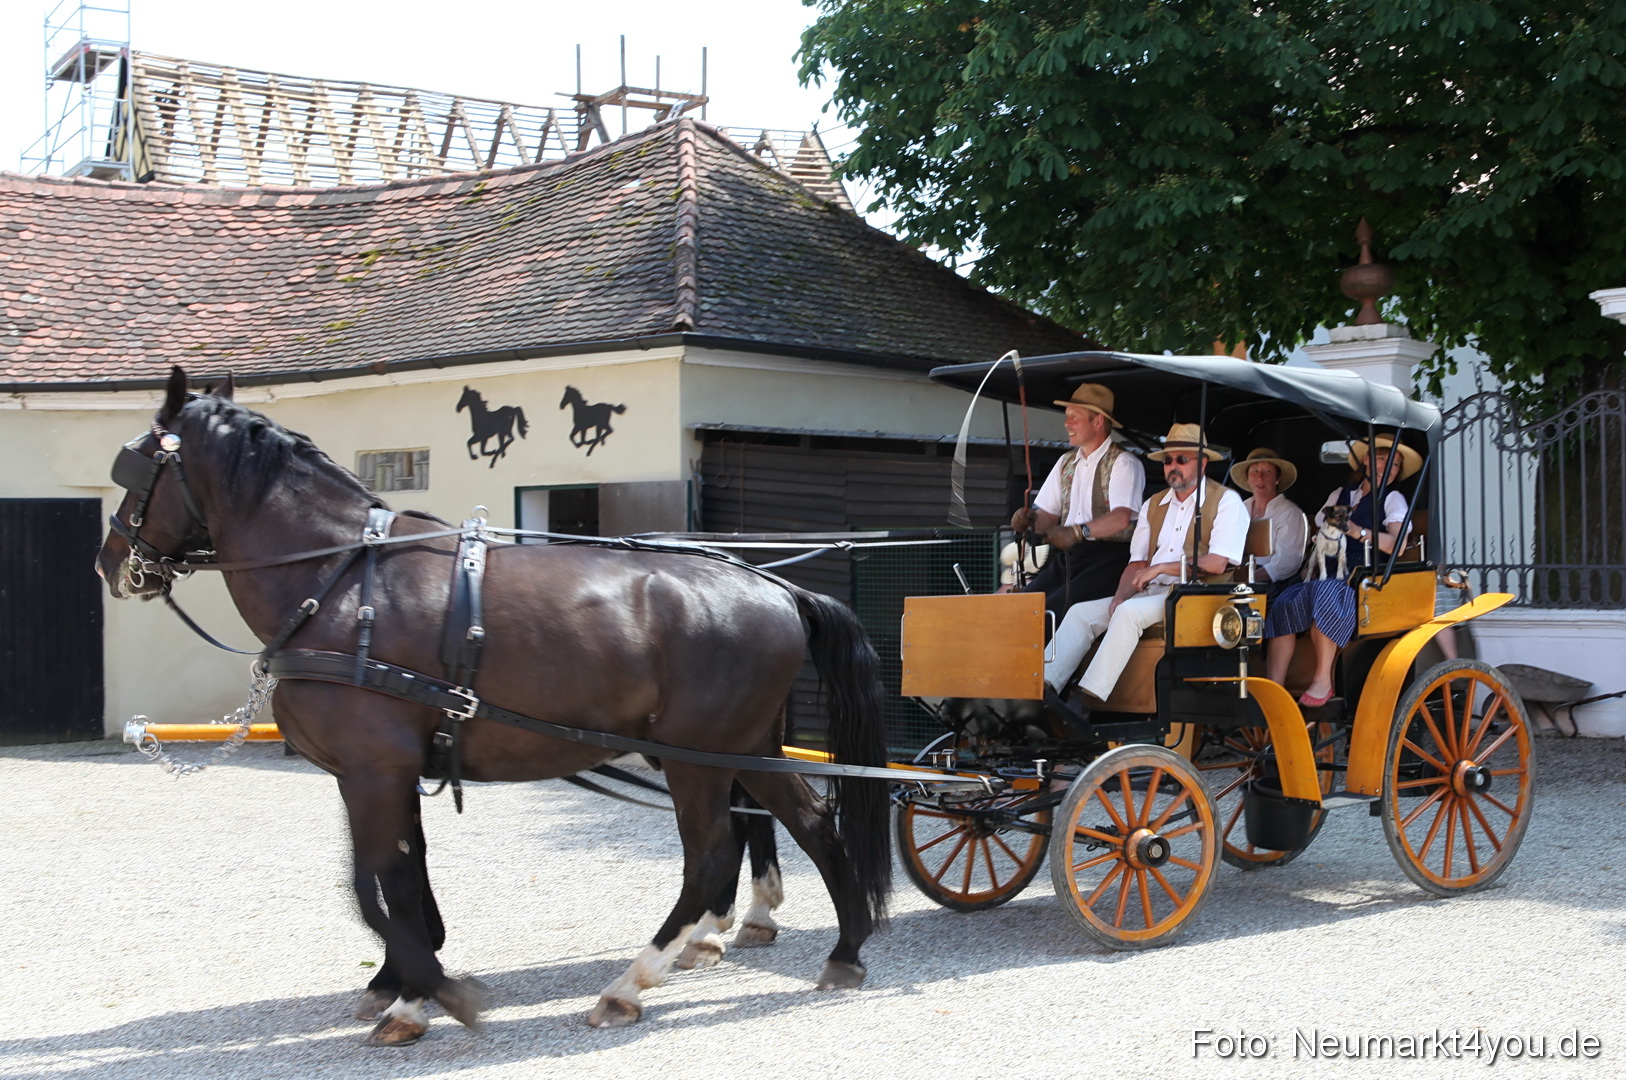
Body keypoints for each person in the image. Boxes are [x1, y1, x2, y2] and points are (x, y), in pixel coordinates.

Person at [1043, 423, 1247, 712]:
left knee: (1129, 613)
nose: (1172, 466)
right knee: (1081, 613)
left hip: (1198, 596)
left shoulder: (1226, 500)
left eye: (1181, 459)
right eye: (1167, 460)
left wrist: (1160, 568)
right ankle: (1043, 690)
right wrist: (1119, 596)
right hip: (1154, 594)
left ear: (1202, 463)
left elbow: (1216, 563)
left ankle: (1085, 700)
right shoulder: (1153, 504)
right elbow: (1137, 564)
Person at [1263, 435, 1422, 707]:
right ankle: (1273, 689)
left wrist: (1357, 531)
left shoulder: (1392, 499)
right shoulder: (1341, 494)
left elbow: (1396, 546)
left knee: (1325, 594)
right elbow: (1324, 528)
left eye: (1395, 464)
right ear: (1366, 460)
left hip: (1364, 580)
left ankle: (1322, 680)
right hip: (1327, 573)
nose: (1387, 468)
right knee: (1284, 601)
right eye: (1381, 459)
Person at [1010, 383, 1144, 623]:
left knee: (1051, 612)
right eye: (1067, 417)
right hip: (1070, 558)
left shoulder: (1123, 463)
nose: (1067, 424)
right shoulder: (1065, 462)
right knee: (1022, 605)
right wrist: (1030, 520)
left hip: (1109, 560)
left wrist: (1077, 532)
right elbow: (1047, 518)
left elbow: (1121, 518)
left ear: (1098, 421)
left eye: (1074, 417)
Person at [1229, 447, 1308, 598]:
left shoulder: (1290, 513)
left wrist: (1247, 579)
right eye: (1255, 471)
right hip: (1238, 576)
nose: (1260, 477)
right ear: (1248, 479)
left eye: (1267, 471)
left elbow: (1287, 563)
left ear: (1277, 479)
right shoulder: (1239, 508)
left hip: (1274, 584)